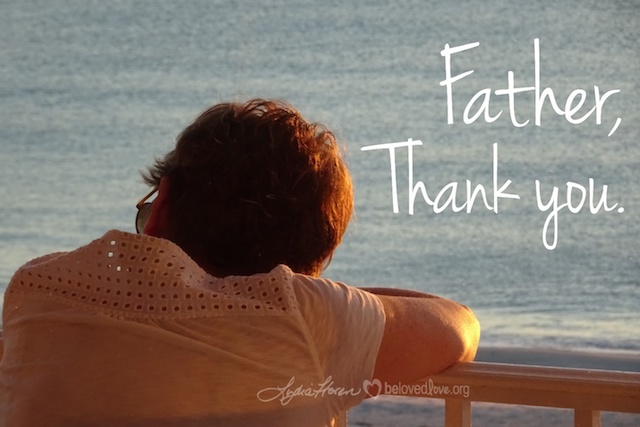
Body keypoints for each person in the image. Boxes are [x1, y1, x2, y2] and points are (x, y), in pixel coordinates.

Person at [0, 99, 479, 426]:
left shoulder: (39, 290)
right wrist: (315, 298)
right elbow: (458, 326)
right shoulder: (305, 319)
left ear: (163, 204)